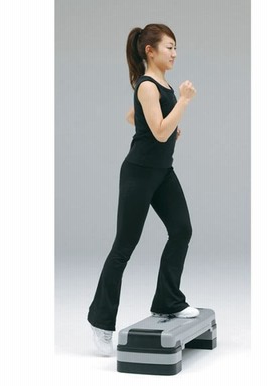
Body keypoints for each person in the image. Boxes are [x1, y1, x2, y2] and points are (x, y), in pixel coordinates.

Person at [87, 23, 198, 356]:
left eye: (176, 47)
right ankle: (100, 321)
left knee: (182, 230)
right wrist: (182, 103)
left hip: (162, 173)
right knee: (124, 246)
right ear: (150, 51)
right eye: (169, 47)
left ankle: (168, 300)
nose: (174, 53)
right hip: (139, 174)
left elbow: (134, 118)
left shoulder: (159, 84)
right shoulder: (148, 85)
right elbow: (160, 133)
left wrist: (165, 122)